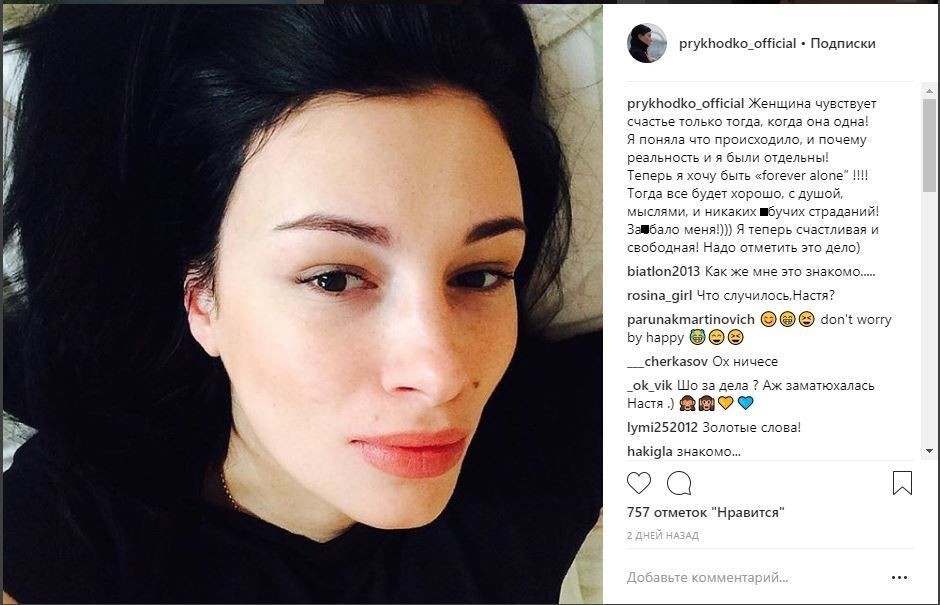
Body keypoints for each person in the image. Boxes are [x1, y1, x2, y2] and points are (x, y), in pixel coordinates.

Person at [2, 5, 601, 603]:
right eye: (334, 280)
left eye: (479, 276)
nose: (440, 375)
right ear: (201, 296)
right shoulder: (68, 532)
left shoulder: (544, 442)